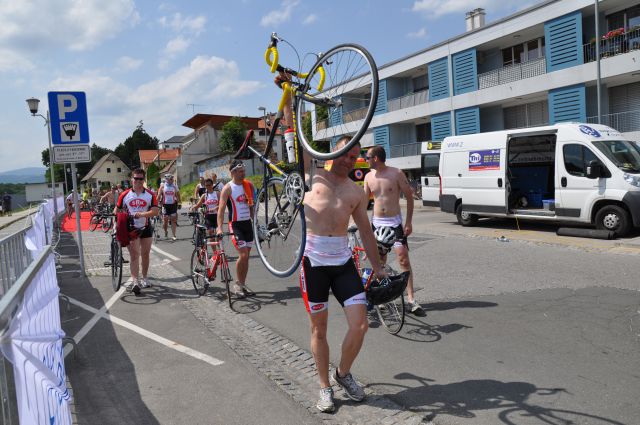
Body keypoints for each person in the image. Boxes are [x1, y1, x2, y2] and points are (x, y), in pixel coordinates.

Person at [277, 71, 387, 413]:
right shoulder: (313, 174)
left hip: (342, 263)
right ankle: (324, 387)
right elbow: (294, 134)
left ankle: (343, 373)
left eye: (352, 156)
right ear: (331, 153)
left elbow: (367, 233)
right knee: (319, 329)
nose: (347, 159)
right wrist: (289, 96)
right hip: (313, 264)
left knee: (361, 324)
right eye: (342, 153)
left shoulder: (355, 191)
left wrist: (379, 267)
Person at [364, 146, 424, 316]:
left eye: (367, 156)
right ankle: (381, 298)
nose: (365, 159)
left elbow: (410, 197)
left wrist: (409, 222)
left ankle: (411, 299)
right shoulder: (368, 177)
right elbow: (363, 203)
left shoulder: (396, 173)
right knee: (380, 261)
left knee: (403, 259)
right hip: (377, 224)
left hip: (394, 223)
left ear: (376, 158)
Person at [114, 168, 159, 295]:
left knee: (145, 254)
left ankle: (144, 278)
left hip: (145, 228)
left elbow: (155, 211)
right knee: (135, 255)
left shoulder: (150, 194)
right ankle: (135, 282)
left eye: (140, 179)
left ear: (143, 180)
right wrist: (119, 221)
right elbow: (116, 211)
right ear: (131, 179)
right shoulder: (125, 195)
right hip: (131, 228)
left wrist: (143, 214)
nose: (138, 181)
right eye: (136, 178)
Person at [216, 160, 255, 297]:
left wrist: (256, 223)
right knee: (243, 255)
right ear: (232, 172)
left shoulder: (248, 185)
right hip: (236, 225)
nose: (243, 173)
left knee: (246, 257)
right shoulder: (228, 188)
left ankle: (242, 284)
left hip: (248, 225)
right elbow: (221, 210)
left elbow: (251, 206)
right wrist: (220, 227)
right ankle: (237, 285)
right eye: (240, 171)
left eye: (244, 171)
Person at [158, 174, 181, 240]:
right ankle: (166, 231)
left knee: (173, 220)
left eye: (172, 179)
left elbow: (178, 195)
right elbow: (159, 195)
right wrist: (155, 203)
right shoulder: (162, 186)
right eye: (171, 179)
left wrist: (179, 202)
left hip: (173, 205)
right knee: (165, 222)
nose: (172, 180)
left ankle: (174, 235)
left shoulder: (174, 186)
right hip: (165, 205)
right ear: (167, 180)